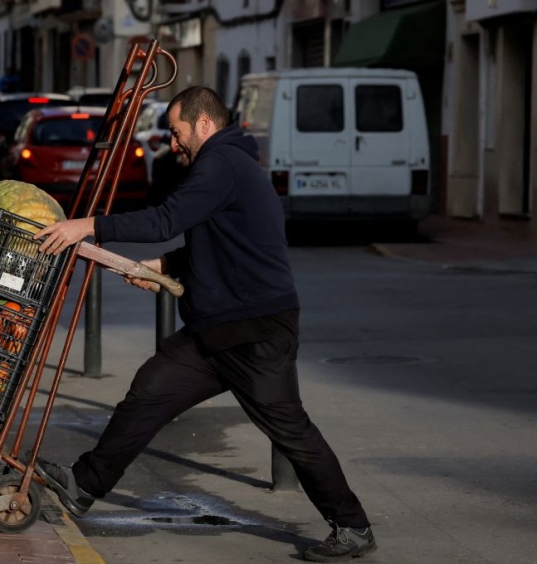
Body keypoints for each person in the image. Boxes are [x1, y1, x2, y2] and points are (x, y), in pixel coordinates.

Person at [31, 86, 377, 562]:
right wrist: (166, 267)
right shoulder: (227, 165)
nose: (173, 144)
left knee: (289, 430)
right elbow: (225, 242)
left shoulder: (221, 164)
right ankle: (84, 485)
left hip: (255, 329)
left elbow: (166, 218)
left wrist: (87, 225)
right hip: (216, 329)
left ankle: (353, 526)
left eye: (176, 133)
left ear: (204, 125)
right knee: (149, 391)